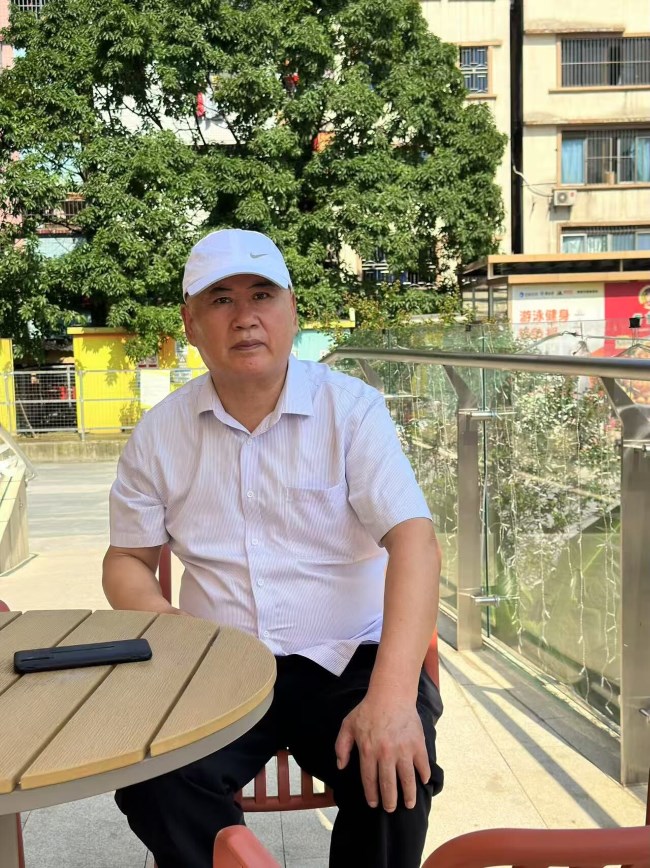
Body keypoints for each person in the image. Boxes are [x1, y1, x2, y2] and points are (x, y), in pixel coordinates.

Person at [103, 228, 443, 868]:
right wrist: (173, 628)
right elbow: (127, 560)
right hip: (216, 664)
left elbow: (416, 543)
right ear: (191, 323)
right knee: (152, 780)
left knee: (395, 777)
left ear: (292, 310)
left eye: (262, 294)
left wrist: (395, 697)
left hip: (350, 659)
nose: (245, 317)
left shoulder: (351, 411)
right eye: (220, 300)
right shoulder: (160, 433)